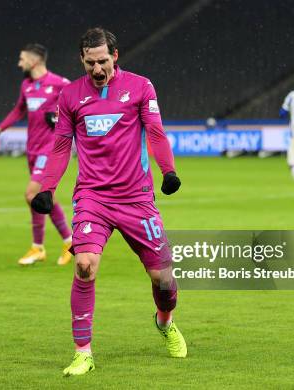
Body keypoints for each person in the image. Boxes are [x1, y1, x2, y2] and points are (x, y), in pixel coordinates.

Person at [30, 28, 186, 376]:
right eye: (90, 62)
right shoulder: (70, 95)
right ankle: (83, 352)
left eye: (103, 61)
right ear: (82, 60)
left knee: (162, 278)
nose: (97, 68)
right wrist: (47, 188)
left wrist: (168, 171)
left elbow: (157, 133)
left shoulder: (141, 87)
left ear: (115, 56)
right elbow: (59, 147)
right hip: (92, 198)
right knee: (84, 265)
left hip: (137, 199)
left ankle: (165, 322)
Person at [0, 43, 73, 266]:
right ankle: (51, 246)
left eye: (22, 59)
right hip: (32, 149)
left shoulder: (61, 84)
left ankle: (47, 245)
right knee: (42, 198)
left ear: (34, 61)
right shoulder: (27, 85)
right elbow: (18, 111)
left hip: (52, 149)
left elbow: (77, 107)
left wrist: (61, 118)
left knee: (31, 194)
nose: (19, 63)